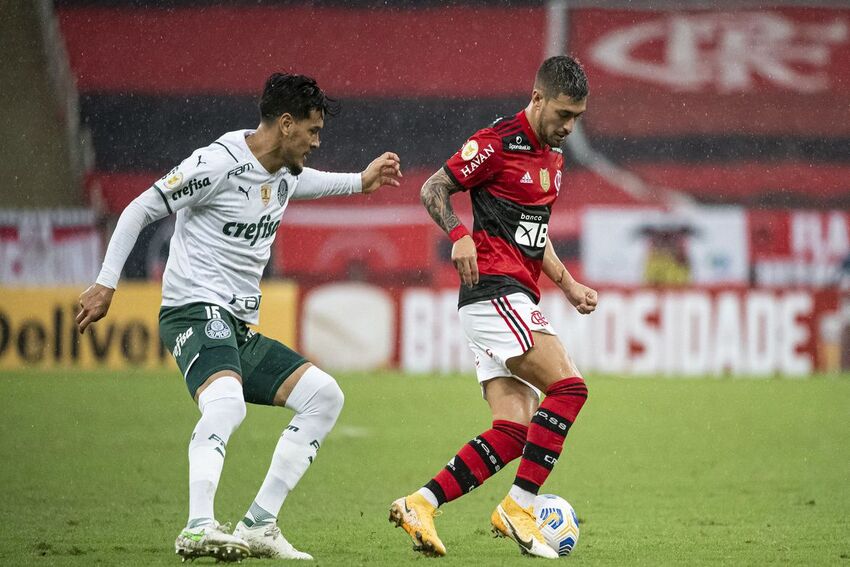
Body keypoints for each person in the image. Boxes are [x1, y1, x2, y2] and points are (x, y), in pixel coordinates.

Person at [76, 72, 402, 562]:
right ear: (286, 124)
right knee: (226, 403)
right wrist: (106, 283)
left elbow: (303, 184)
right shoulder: (216, 164)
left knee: (324, 397)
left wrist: (360, 181)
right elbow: (140, 208)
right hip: (192, 309)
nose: (317, 141)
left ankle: (258, 525)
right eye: (312, 131)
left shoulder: (284, 172)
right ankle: (198, 527)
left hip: (236, 325)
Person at [389, 55, 597, 559]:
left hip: (509, 295)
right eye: (563, 114)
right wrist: (458, 234)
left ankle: (421, 503)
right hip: (493, 292)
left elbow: (534, 236)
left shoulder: (553, 160)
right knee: (569, 389)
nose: (569, 127)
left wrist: (568, 284)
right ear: (537, 97)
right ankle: (519, 506)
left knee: (513, 430)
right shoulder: (496, 143)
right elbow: (433, 187)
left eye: (577, 118)